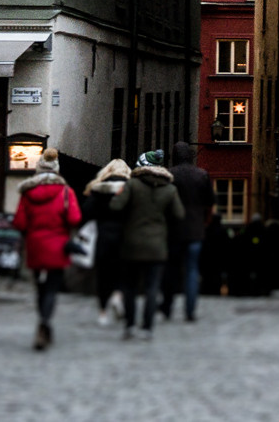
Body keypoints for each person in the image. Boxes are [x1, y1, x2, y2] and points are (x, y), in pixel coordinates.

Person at [10, 154, 82, 351]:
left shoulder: (28, 192)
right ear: (56, 170)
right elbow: (74, 218)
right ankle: (44, 322)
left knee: (40, 288)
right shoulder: (65, 191)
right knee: (51, 288)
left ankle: (42, 322)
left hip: (35, 245)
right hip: (58, 246)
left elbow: (19, 222)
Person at [110, 151, 182, 338]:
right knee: (152, 288)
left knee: (130, 286)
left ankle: (130, 325)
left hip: (132, 243)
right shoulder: (169, 189)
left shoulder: (132, 185)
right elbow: (179, 214)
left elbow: (115, 206)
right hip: (157, 245)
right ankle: (147, 328)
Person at [165, 142, 212, 323]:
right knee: (192, 270)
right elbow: (209, 201)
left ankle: (168, 306)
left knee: (172, 269)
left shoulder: (170, 175)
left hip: (174, 230)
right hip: (195, 229)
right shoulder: (202, 175)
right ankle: (190, 310)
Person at [83, 159, 133, 326]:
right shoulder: (131, 188)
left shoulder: (99, 189)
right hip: (125, 236)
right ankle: (118, 296)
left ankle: (103, 312)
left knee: (103, 274)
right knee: (122, 271)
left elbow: (87, 212)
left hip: (103, 235)